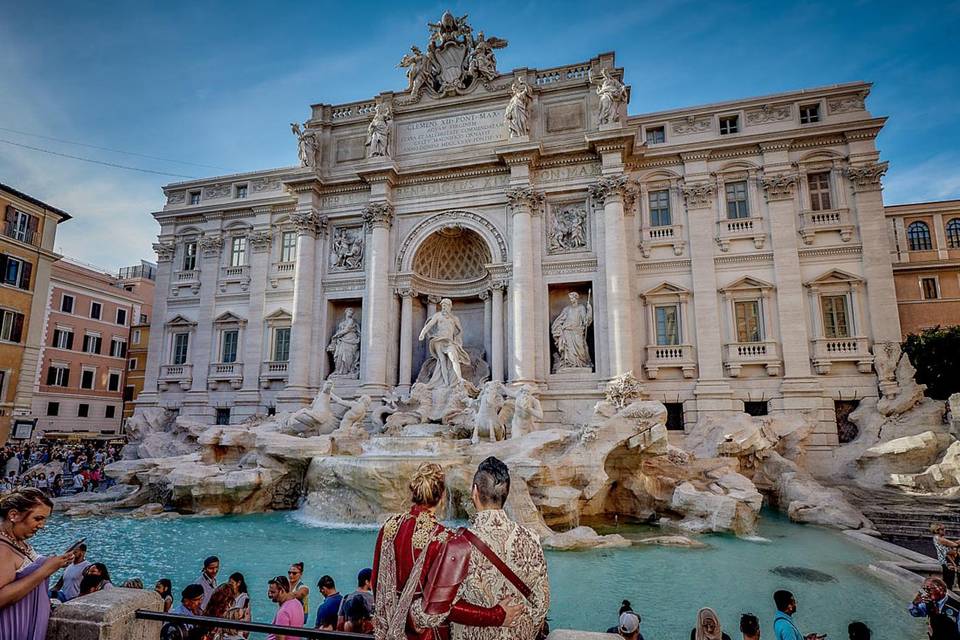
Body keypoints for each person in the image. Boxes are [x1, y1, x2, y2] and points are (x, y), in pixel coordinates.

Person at [372, 462, 516, 640]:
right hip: (428, 635)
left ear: (413, 491)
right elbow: (444, 608)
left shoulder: (390, 526)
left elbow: (376, 582)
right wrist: (496, 615)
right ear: (442, 497)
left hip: (388, 632)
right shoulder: (446, 539)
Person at [441, 456, 550, 640]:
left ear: (474, 491)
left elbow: (443, 607)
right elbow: (542, 603)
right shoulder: (531, 539)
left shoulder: (457, 544)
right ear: (504, 496)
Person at [0, 488, 74, 640]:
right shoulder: (2, 549)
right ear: (13, 515)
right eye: (38, 519)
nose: (42, 525)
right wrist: (46, 570)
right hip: (12, 628)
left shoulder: (17, 541)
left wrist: (56, 563)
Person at [266, 575, 304, 640]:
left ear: (281, 591)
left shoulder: (283, 612)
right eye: (269, 592)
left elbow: (280, 638)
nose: (270, 595)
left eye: (273, 592)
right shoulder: (298, 603)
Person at [338, 568, 374, 632]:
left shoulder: (346, 598)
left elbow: (340, 621)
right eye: (372, 581)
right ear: (367, 582)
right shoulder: (373, 600)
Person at [933, 523, 960, 589]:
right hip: (947, 561)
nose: (945, 530)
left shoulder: (937, 538)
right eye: (942, 529)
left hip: (946, 560)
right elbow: (955, 545)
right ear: (937, 530)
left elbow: (953, 543)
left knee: (949, 582)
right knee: (948, 582)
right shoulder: (940, 539)